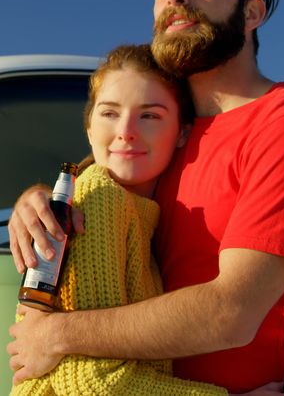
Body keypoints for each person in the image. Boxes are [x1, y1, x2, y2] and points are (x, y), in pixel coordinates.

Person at [6, 0, 284, 394]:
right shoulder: (168, 132)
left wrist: (56, 335)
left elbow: (230, 313)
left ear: (252, 12)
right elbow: (97, 184)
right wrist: (34, 199)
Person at [12, 44, 224, 396]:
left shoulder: (142, 214)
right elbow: (94, 384)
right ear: (90, 128)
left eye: (150, 115)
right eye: (110, 113)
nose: (126, 131)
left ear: (183, 133)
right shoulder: (100, 198)